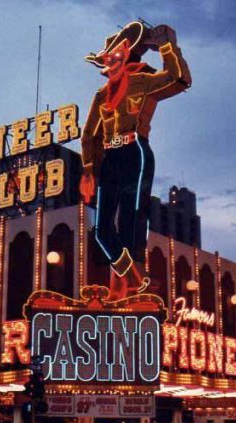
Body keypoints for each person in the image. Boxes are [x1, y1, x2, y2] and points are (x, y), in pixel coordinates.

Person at [80, 21, 191, 300]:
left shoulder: (143, 81)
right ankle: (133, 277)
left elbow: (179, 79)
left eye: (116, 54)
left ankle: (129, 285)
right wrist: (89, 170)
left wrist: (167, 46)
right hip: (109, 157)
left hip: (135, 150)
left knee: (132, 218)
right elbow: (89, 134)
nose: (110, 61)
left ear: (126, 52)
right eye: (107, 57)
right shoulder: (102, 95)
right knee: (101, 231)